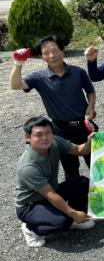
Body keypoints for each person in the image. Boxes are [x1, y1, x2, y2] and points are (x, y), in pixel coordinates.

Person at [10, 36, 96, 179]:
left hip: (84, 125)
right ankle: (76, 192)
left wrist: (91, 106)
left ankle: (100, 192)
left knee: (97, 165)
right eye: (46, 53)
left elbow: (90, 91)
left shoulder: (78, 72)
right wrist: (18, 63)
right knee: (71, 170)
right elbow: (15, 85)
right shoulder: (38, 77)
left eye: (55, 50)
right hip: (60, 130)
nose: (52, 55)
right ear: (41, 57)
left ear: (62, 50)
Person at [15, 117, 94, 248]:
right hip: (30, 205)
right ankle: (30, 228)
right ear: (28, 138)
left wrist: (90, 142)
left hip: (51, 191)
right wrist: (72, 213)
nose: (45, 138)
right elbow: (50, 195)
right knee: (61, 221)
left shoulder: (55, 142)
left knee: (82, 182)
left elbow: (79, 150)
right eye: (38, 135)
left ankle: (76, 218)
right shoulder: (28, 167)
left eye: (48, 133)